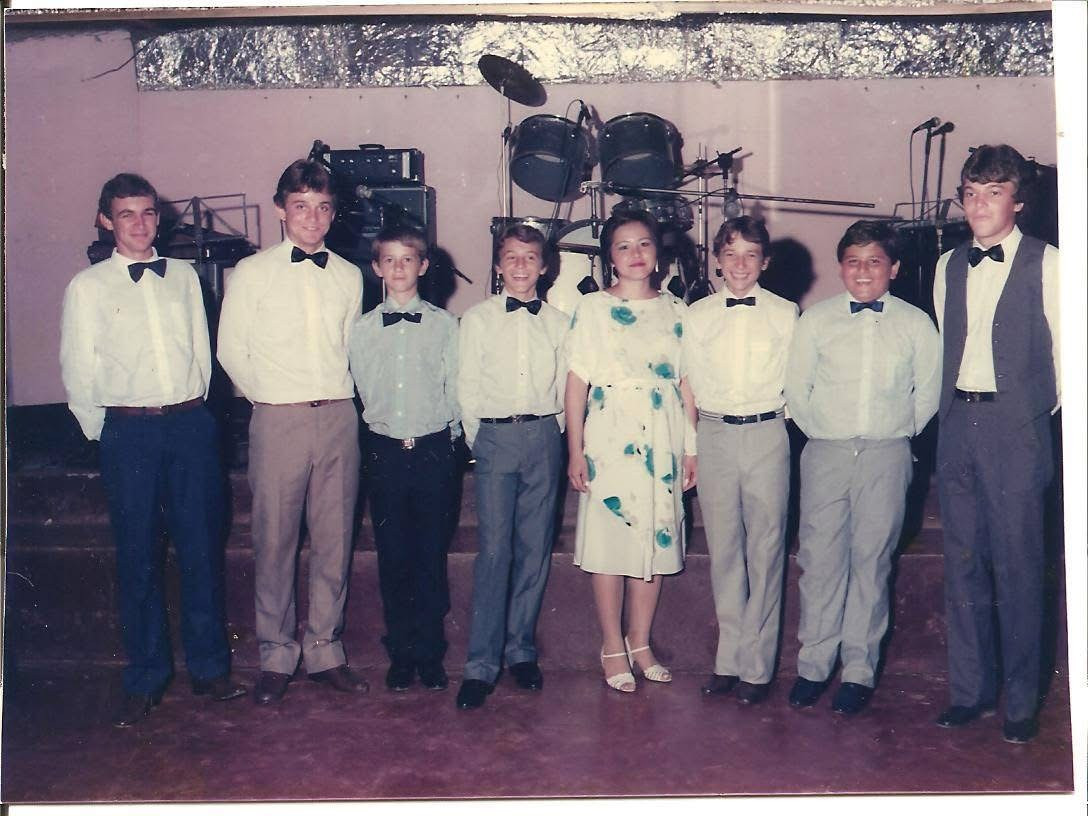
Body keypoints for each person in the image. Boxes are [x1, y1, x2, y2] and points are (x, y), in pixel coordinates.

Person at [60, 173, 245, 727]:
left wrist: (197, 416)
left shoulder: (185, 277)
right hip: (129, 433)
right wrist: (108, 434)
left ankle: (210, 669)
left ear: (158, 218)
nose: (139, 224)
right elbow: (78, 367)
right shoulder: (87, 287)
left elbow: (200, 354)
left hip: (189, 426)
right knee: (138, 556)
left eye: (147, 213)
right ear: (105, 221)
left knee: (200, 550)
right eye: (126, 214)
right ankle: (145, 676)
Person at [217, 159, 367, 704]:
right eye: (301, 206)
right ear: (281, 209)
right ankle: (276, 655)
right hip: (278, 416)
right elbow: (231, 350)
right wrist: (273, 397)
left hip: (339, 417)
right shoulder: (252, 272)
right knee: (275, 540)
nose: (312, 218)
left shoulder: (349, 275)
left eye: (323, 207)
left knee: (335, 540)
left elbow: (352, 349)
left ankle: (325, 649)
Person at [784, 220, 941, 716]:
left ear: (894, 268)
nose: (863, 271)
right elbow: (797, 391)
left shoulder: (916, 324)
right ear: (840, 268)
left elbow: (927, 395)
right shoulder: (816, 321)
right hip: (826, 451)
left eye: (874, 261)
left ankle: (858, 670)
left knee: (871, 562)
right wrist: (827, 433)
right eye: (853, 261)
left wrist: (893, 434)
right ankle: (814, 665)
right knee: (820, 559)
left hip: (887, 452)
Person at [931, 145, 1060, 744]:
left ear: (1019, 202)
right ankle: (970, 691)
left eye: (994, 193)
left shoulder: (1050, 263)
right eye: (971, 193)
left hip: (1017, 431)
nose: (979, 205)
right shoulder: (947, 264)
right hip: (958, 424)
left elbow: (1067, 359)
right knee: (962, 565)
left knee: (1019, 566)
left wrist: (1027, 418)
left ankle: (1021, 701)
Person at [564, 210, 698, 694]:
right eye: (623, 246)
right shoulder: (592, 309)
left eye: (644, 243)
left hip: (663, 437)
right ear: (609, 257)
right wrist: (575, 451)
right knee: (610, 543)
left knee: (655, 540)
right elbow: (576, 384)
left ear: (657, 253)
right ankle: (611, 645)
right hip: (610, 436)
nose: (635, 254)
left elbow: (687, 384)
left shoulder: (678, 310)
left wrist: (691, 450)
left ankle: (640, 642)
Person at [681, 216, 798, 705]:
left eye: (751, 254)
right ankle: (728, 660)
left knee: (766, 551)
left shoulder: (787, 313)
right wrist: (692, 445)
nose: (740, 264)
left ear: (765, 262)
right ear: (717, 259)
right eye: (731, 254)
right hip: (714, 434)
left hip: (767, 432)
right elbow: (687, 384)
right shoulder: (697, 315)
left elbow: (797, 378)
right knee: (725, 550)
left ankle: (757, 666)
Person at [454, 223, 569, 710]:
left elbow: (565, 385)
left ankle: (520, 650)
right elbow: (467, 384)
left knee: (534, 548)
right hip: (495, 436)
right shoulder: (477, 319)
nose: (521, 266)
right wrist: (480, 439)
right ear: (499, 266)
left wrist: (554, 433)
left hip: (544, 435)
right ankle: (481, 663)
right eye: (511, 257)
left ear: (544, 267)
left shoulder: (560, 323)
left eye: (530, 257)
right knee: (495, 550)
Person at [347, 224, 460, 694]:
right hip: (385, 452)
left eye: (408, 259)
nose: (398, 268)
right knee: (393, 556)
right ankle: (401, 652)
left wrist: (452, 441)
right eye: (389, 260)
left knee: (430, 555)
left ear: (424, 266)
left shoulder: (445, 325)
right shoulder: (361, 330)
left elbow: (454, 386)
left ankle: (430, 654)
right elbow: (358, 387)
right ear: (376, 268)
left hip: (433, 450)